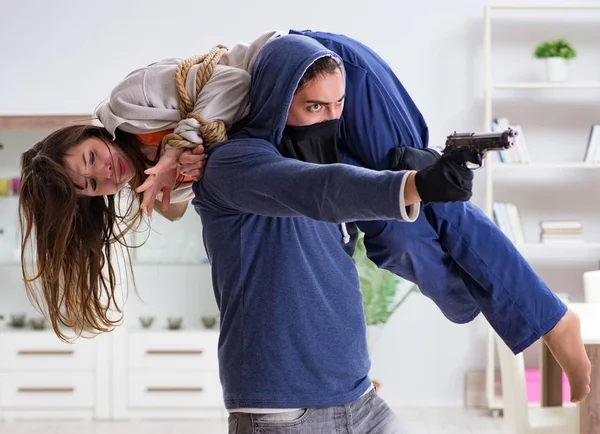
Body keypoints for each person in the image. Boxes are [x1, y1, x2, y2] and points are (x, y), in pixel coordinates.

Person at [19, 29, 590, 403]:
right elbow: (198, 202)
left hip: (319, 74)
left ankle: (548, 320)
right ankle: (477, 299)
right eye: (91, 187)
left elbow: (230, 82)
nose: (104, 175)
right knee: (392, 243)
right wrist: (174, 174)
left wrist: (177, 149)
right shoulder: (150, 167)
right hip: (298, 122)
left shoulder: (128, 103)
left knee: (427, 189)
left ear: (90, 134)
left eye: (91, 159)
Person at [192, 33, 478, 433]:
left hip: (359, 398)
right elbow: (319, 189)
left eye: (338, 104)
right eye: (314, 106)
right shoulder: (233, 165)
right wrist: (416, 184)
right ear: (276, 102)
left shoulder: (329, 156)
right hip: (282, 413)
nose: (330, 117)